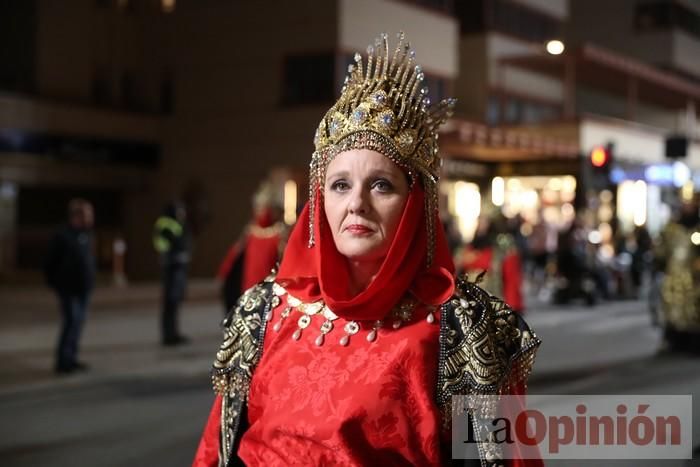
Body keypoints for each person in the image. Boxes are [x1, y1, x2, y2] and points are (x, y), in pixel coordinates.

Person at [193, 33, 541, 466]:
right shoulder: (262, 312)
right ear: (320, 200)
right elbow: (215, 451)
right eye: (340, 185)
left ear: (415, 204)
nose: (356, 203)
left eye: (381, 185)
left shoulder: (464, 328)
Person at [217, 181, 287, 313]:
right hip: (248, 289)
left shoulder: (279, 234)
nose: (260, 211)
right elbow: (235, 255)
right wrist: (224, 273)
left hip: (270, 290)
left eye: (263, 207)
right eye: (259, 207)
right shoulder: (250, 231)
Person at [44, 199, 96, 374]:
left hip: (84, 289)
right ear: (76, 215)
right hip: (68, 290)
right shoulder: (62, 235)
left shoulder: (86, 235)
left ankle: (71, 358)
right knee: (70, 323)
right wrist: (56, 285)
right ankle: (62, 362)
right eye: (87, 214)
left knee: (78, 324)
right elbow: (50, 262)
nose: (90, 217)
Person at [654, 198, 700, 351]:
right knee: (673, 308)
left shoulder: (697, 229)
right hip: (674, 275)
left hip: (694, 277)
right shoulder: (671, 229)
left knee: (693, 309)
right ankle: (675, 340)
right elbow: (662, 251)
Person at [460, 215, 525, 313]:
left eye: (484, 224)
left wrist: (513, 305)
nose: (481, 227)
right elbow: (464, 263)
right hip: (473, 296)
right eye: (480, 224)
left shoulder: (500, 248)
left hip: (493, 295)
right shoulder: (471, 246)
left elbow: (510, 278)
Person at [153, 201, 191, 346]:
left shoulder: (177, 223)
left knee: (175, 302)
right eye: (180, 211)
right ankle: (168, 335)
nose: (182, 214)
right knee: (170, 302)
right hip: (171, 267)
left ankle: (173, 333)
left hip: (177, 266)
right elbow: (173, 243)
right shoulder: (165, 224)